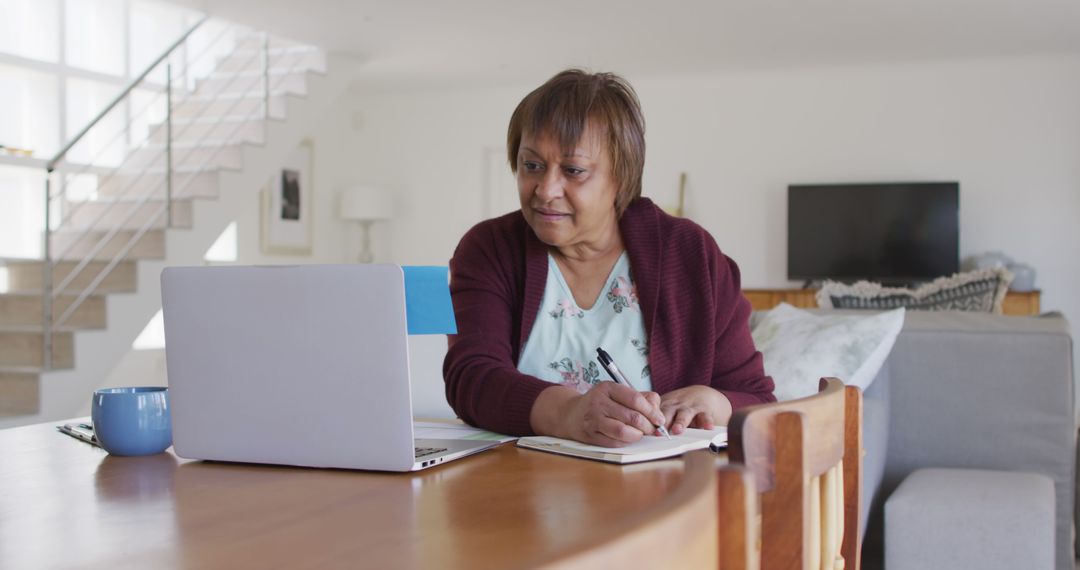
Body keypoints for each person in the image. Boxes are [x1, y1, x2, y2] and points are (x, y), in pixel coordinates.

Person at [443, 69, 775, 447]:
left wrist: (716, 402)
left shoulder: (691, 254)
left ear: (621, 176)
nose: (546, 190)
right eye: (531, 165)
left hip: (658, 491)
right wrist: (570, 413)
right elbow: (471, 378)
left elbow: (757, 398)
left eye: (574, 171)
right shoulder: (489, 248)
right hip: (518, 489)